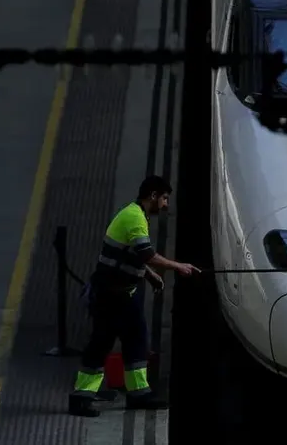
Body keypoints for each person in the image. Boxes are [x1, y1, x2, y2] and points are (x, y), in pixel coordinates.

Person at [68, 175, 201, 417]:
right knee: (101, 344)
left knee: (137, 341)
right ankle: (80, 398)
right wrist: (179, 266)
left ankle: (138, 394)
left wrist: (148, 276)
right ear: (152, 196)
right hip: (110, 296)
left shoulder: (134, 214)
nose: (165, 205)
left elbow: (133, 255)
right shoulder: (135, 219)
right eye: (164, 199)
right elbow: (148, 254)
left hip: (124, 294)